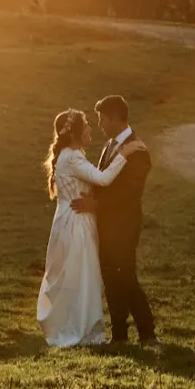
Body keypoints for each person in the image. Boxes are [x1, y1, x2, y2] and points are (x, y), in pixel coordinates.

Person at [37, 108, 146, 347]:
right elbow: (103, 179)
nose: (90, 129)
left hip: (68, 220)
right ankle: (84, 332)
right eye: (86, 125)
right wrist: (124, 153)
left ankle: (76, 327)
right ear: (75, 132)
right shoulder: (73, 157)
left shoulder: (68, 155)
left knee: (74, 276)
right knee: (83, 278)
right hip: (76, 223)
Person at [71, 95, 159, 347]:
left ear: (115, 118)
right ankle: (119, 335)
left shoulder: (138, 150)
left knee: (126, 277)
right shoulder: (109, 145)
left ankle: (147, 333)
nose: (99, 125)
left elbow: (130, 192)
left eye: (102, 119)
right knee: (111, 277)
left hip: (124, 226)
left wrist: (97, 205)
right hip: (106, 227)